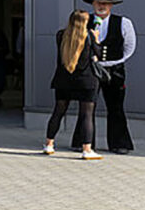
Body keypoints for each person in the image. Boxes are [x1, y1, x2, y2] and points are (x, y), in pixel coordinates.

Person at [82, 0, 136, 154]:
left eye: (106, 3)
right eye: (99, 3)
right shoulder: (85, 21)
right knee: (87, 107)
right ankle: (83, 142)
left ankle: (120, 143)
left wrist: (115, 62)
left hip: (114, 70)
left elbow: (130, 47)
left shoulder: (124, 22)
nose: (102, 6)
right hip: (91, 70)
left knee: (116, 107)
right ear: (93, 4)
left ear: (111, 5)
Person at [44, 10, 104, 160]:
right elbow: (99, 54)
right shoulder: (89, 36)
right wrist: (96, 40)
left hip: (63, 80)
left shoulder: (60, 35)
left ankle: (49, 145)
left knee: (58, 112)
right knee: (86, 115)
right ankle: (87, 149)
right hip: (86, 80)